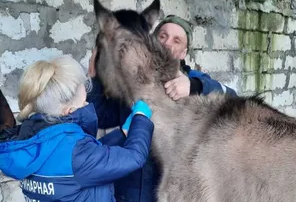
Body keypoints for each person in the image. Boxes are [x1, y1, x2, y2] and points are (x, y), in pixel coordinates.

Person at [87, 15, 238, 202]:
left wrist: (196, 86)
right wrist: (93, 78)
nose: (167, 44)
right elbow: (101, 116)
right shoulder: (132, 84)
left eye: (177, 40)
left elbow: (234, 102)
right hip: (129, 190)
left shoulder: (194, 81)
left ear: (184, 52)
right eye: (162, 36)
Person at [0, 55, 155, 202]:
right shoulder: (77, 154)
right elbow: (134, 157)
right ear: (68, 111)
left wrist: (122, 133)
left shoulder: (29, 142)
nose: (87, 105)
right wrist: (141, 117)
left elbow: (86, 155)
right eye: (84, 102)